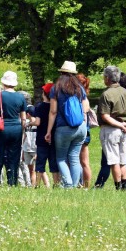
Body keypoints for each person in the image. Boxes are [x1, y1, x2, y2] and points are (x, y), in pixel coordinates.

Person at [45, 61, 91, 189]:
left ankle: (68, 185)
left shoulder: (56, 88)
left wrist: (48, 131)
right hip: (80, 127)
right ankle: (75, 185)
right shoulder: (79, 88)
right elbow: (86, 108)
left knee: (61, 158)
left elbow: (53, 111)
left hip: (63, 128)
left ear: (61, 72)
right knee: (74, 157)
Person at [96, 65, 126, 190]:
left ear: (107, 78)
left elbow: (105, 116)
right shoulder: (125, 91)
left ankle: (118, 187)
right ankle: (124, 186)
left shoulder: (106, 94)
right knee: (123, 160)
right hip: (124, 130)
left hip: (111, 129)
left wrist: (120, 124)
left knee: (113, 161)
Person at [0, 70, 27, 185]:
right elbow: (23, 118)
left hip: (1, 128)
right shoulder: (20, 97)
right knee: (14, 156)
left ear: (3, 83)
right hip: (16, 129)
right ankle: (12, 181)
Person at [31, 83, 58, 188]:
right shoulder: (56, 106)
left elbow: (37, 122)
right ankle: (56, 183)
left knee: (40, 162)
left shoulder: (40, 106)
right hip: (54, 137)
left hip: (42, 138)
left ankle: (36, 185)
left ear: (44, 94)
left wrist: (29, 123)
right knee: (53, 162)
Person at [76, 73, 93, 188]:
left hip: (77, 129)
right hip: (86, 131)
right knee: (85, 162)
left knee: (74, 160)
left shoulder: (77, 96)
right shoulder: (85, 96)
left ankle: (78, 184)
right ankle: (86, 186)